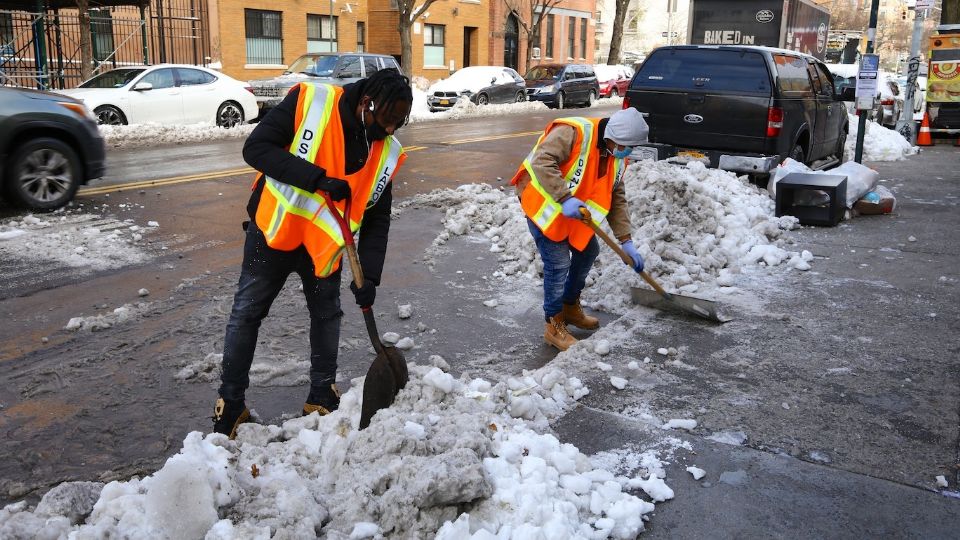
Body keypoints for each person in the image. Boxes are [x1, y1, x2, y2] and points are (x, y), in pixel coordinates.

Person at [213, 68, 413, 439]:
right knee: (246, 315)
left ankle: (321, 395)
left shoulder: (387, 150)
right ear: (366, 103)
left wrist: (370, 275)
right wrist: (317, 178)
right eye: (385, 120)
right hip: (274, 233)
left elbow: (377, 218)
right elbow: (255, 149)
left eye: (398, 123)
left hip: (322, 250)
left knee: (327, 316)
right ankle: (230, 405)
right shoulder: (311, 102)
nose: (389, 131)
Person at [510, 108, 648, 351]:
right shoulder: (573, 133)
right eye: (627, 146)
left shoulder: (615, 155)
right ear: (612, 136)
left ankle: (570, 306)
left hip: (572, 211)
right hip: (542, 204)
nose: (629, 152)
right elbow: (541, 161)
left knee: (588, 252)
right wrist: (564, 198)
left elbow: (616, 196)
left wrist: (626, 240)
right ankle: (554, 324)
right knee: (558, 263)